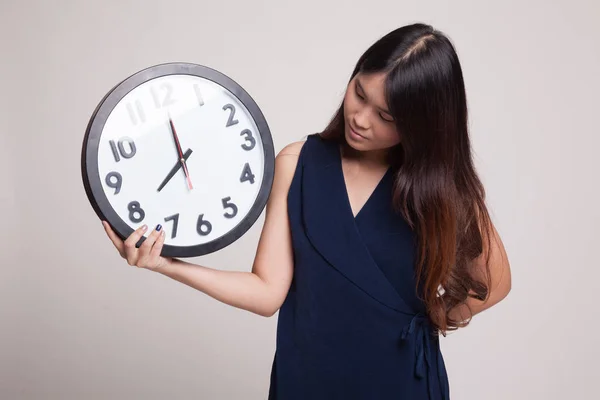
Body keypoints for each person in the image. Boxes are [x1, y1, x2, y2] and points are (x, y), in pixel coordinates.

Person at [102, 22, 512, 400]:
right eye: (360, 93)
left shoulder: (442, 188)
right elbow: (266, 292)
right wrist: (165, 264)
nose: (360, 118)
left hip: (400, 383)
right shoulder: (297, 163)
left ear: (422, 124)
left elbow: (495, 281)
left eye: (385, 115)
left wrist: (436, 318)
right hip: (307, 378)